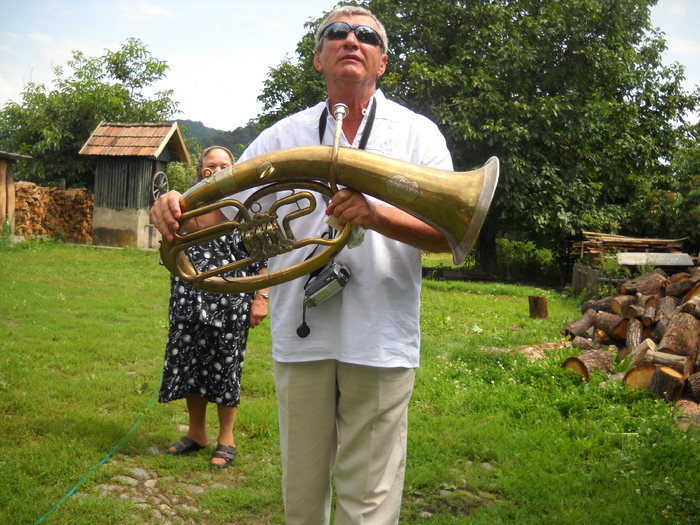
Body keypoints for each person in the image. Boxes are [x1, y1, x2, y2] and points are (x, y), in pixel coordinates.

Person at [150, 5, 453, 522]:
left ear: (382, 62)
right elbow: (219, 215)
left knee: (371, 501)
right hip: (302, 334)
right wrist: (176, 206)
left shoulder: (417, 134)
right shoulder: (282, 136)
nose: (351, 40)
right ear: (318, 57)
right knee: (302, 493)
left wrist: (375, 215)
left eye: (367, 36)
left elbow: (449, 235)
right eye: (336, 33)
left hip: (381, 338)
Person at [158, 146, 269, 468]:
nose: (216, 169)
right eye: (210, 165)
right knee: (191, 364)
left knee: (225, 369)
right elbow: (168, 240)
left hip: (232, 299)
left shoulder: (249, 206)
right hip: (189, 295)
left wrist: (261, 298)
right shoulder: (187, 204)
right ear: (201, 170)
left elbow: (263, 259)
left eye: (224, 165)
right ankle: (196, 433)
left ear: (234, 169)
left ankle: (226, 438)